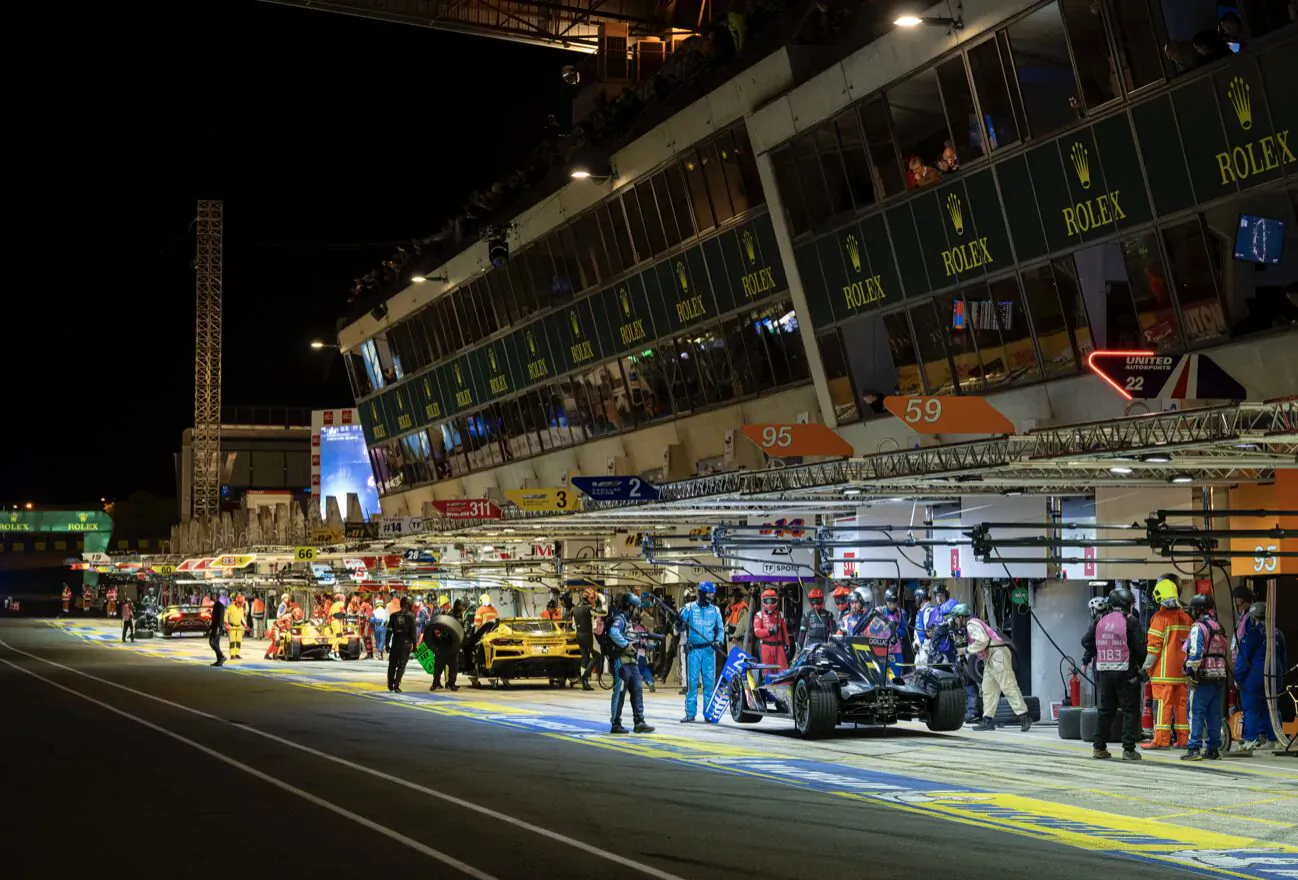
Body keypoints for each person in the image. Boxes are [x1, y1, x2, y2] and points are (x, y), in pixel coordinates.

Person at [1082, 587, 1146, 758]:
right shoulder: (1130, 621)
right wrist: (1141, 667)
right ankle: (1128, 749)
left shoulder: (1099, 619)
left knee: (1105, 710)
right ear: (1127, 604)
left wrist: (1097, 652)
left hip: (1104, 672)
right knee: (1130, 710)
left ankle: (1099, 748)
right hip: (1126, 672)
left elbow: (1086, 641)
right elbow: (1140, 649)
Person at [950, 603, 1033, 733]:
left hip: (997, 654)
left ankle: (1024, 716)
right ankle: (987, 720)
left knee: (1008, 685)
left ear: (961, 617)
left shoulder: (971, 624)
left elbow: (982, 641)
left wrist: (966, 650)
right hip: (991, 656)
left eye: (956, 618)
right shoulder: (973, 623)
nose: (955, 621)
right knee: (988, 688)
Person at [1142, 577, 1192, 749]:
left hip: (1163, 674)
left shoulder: (1159, 618)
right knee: (1181, 706)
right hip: (1182, 673)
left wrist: (1145, 668)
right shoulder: (1187, 618)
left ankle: (1161, 740)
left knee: (1163, 706)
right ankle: (1183, 740)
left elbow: (1153, 648)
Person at [1183, 593, 1228, 760]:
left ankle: (1194, 748)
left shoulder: (1198, 627)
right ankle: (1213, 749)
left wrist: (1190, 672)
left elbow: (1195, 653)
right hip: (1219, 675)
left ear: (1199, 609)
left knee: (1196, 712)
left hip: (1201, 677)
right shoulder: (1219, 627)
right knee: (1214, 714)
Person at [1236, 602, 1285, 751]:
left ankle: (1250, 739)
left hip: (1256, 676)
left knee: (1251, 708)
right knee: (1272, 708)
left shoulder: (1251, 634)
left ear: (1253, 617)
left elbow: (1243, 659)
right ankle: (1276, 739)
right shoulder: (1278, 633)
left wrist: (1238, 677)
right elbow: (1283, 657)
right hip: (1275, 674)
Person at [607, 593, 655, 734]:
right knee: (620, 692)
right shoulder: (620, 619)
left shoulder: (628, 621)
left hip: (632, 661)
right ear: (630, 606)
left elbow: (629, 637)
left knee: (637, 690)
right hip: (621, 661)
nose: (637, 611)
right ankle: (616, 723)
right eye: (636, 608)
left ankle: (639, 722)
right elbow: (613, 632)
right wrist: (626, 644)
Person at [678, 581, 724, 723]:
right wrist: (678, 622)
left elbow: (720, 629)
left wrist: (719, 641)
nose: (711, 596)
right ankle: (690, 714)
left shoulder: (715, 610)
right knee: (692, 683)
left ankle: (709, 714)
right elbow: (679, 627)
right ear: (701, 593)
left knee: (709, 683)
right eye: (708, 593)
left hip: (709, 651)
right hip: (693, 651)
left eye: (712, 594)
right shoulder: (689, 608)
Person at [752, 589, 789, 677]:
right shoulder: (759, 615)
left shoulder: (780, 615)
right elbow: (757, 632)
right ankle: (768, 685)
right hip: (766, 646)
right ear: (763, 601)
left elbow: (785, 632)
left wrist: (788, 645)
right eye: (767, 601)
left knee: (784, 670)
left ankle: (784, 685)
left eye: (772, 601)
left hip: (779, 646)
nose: (769, 604)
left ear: (776, 600)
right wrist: (770, 631)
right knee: (767, 671)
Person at [423, 612, 464, 691]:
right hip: (446, 650)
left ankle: (443, 684)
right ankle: (443, 684)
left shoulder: (443, 626)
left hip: (446, 650)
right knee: (444, 668)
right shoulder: (441, 626)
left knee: (444, 668)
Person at [385, 597, 418, 693]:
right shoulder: (411, 616)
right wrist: (414, 645)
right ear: (409, 604)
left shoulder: (393, 616)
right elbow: (413, 632)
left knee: (392, 664)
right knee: (402, 665)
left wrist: (387, 643)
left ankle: (390, 683)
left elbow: (389, 631)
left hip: (395, 643)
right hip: (405, 644)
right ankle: (396, 684)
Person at [572, 588, 600, 690]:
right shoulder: (589, 608)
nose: (593, 600)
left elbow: (573, 625)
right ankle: (584, 677)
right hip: (588, 635)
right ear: (587, 598)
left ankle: (585, 683)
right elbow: (601, 614)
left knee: (585, 658)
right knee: (597, 656)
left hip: (578, 635)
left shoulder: (575, 608)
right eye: (592, 598)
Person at [880, 586, 907, 679]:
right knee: (882, 677)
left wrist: (895, 630)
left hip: (896, 651)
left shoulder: (901, 613)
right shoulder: (880, 611)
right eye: (890, 603)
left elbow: (904, 632)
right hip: (881, 649)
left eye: (894, 603)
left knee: (896, 677)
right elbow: (872, 630)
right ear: (885, 601)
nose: (892, 606)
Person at [725, 588, 751, 653]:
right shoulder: (734, 609)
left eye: (732, 597)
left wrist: (736, 636)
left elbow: (742, 625)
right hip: (733, 641)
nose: (730, 599)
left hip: (738, 641)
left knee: (739, 658)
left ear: (737, 598)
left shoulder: (742, 608)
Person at [208, 591, 228, 667]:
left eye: (213, 595)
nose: (212, 597)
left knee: (212, 642)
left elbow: (220, 618)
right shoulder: (216, 605)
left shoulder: (220, 605)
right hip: (215, 627)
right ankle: (219, 660)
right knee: (216, 643)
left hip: (217, 627)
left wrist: (218, 628)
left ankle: (222, 656)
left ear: (217, 597)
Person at [227, 594, 246, 660]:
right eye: (241, 603)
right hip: (232, 627)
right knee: (232, 642)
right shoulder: (231, 607)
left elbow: (242, 618)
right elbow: (226, 615)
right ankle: (232, 655)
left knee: (238, 642)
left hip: (239, 628)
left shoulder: (241, 609)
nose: (241, 604)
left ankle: (237, 654)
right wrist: (226, 624)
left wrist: (245, 624)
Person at [371, 597, 389, 661]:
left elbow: (372, 621)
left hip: (376, 627)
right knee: (382, 641)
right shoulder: (385, 611)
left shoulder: (374, 612)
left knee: (378, 641)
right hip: (383, 627)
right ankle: (379, 653)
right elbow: (387, 620)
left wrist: (372, 627)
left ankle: (380, 654)